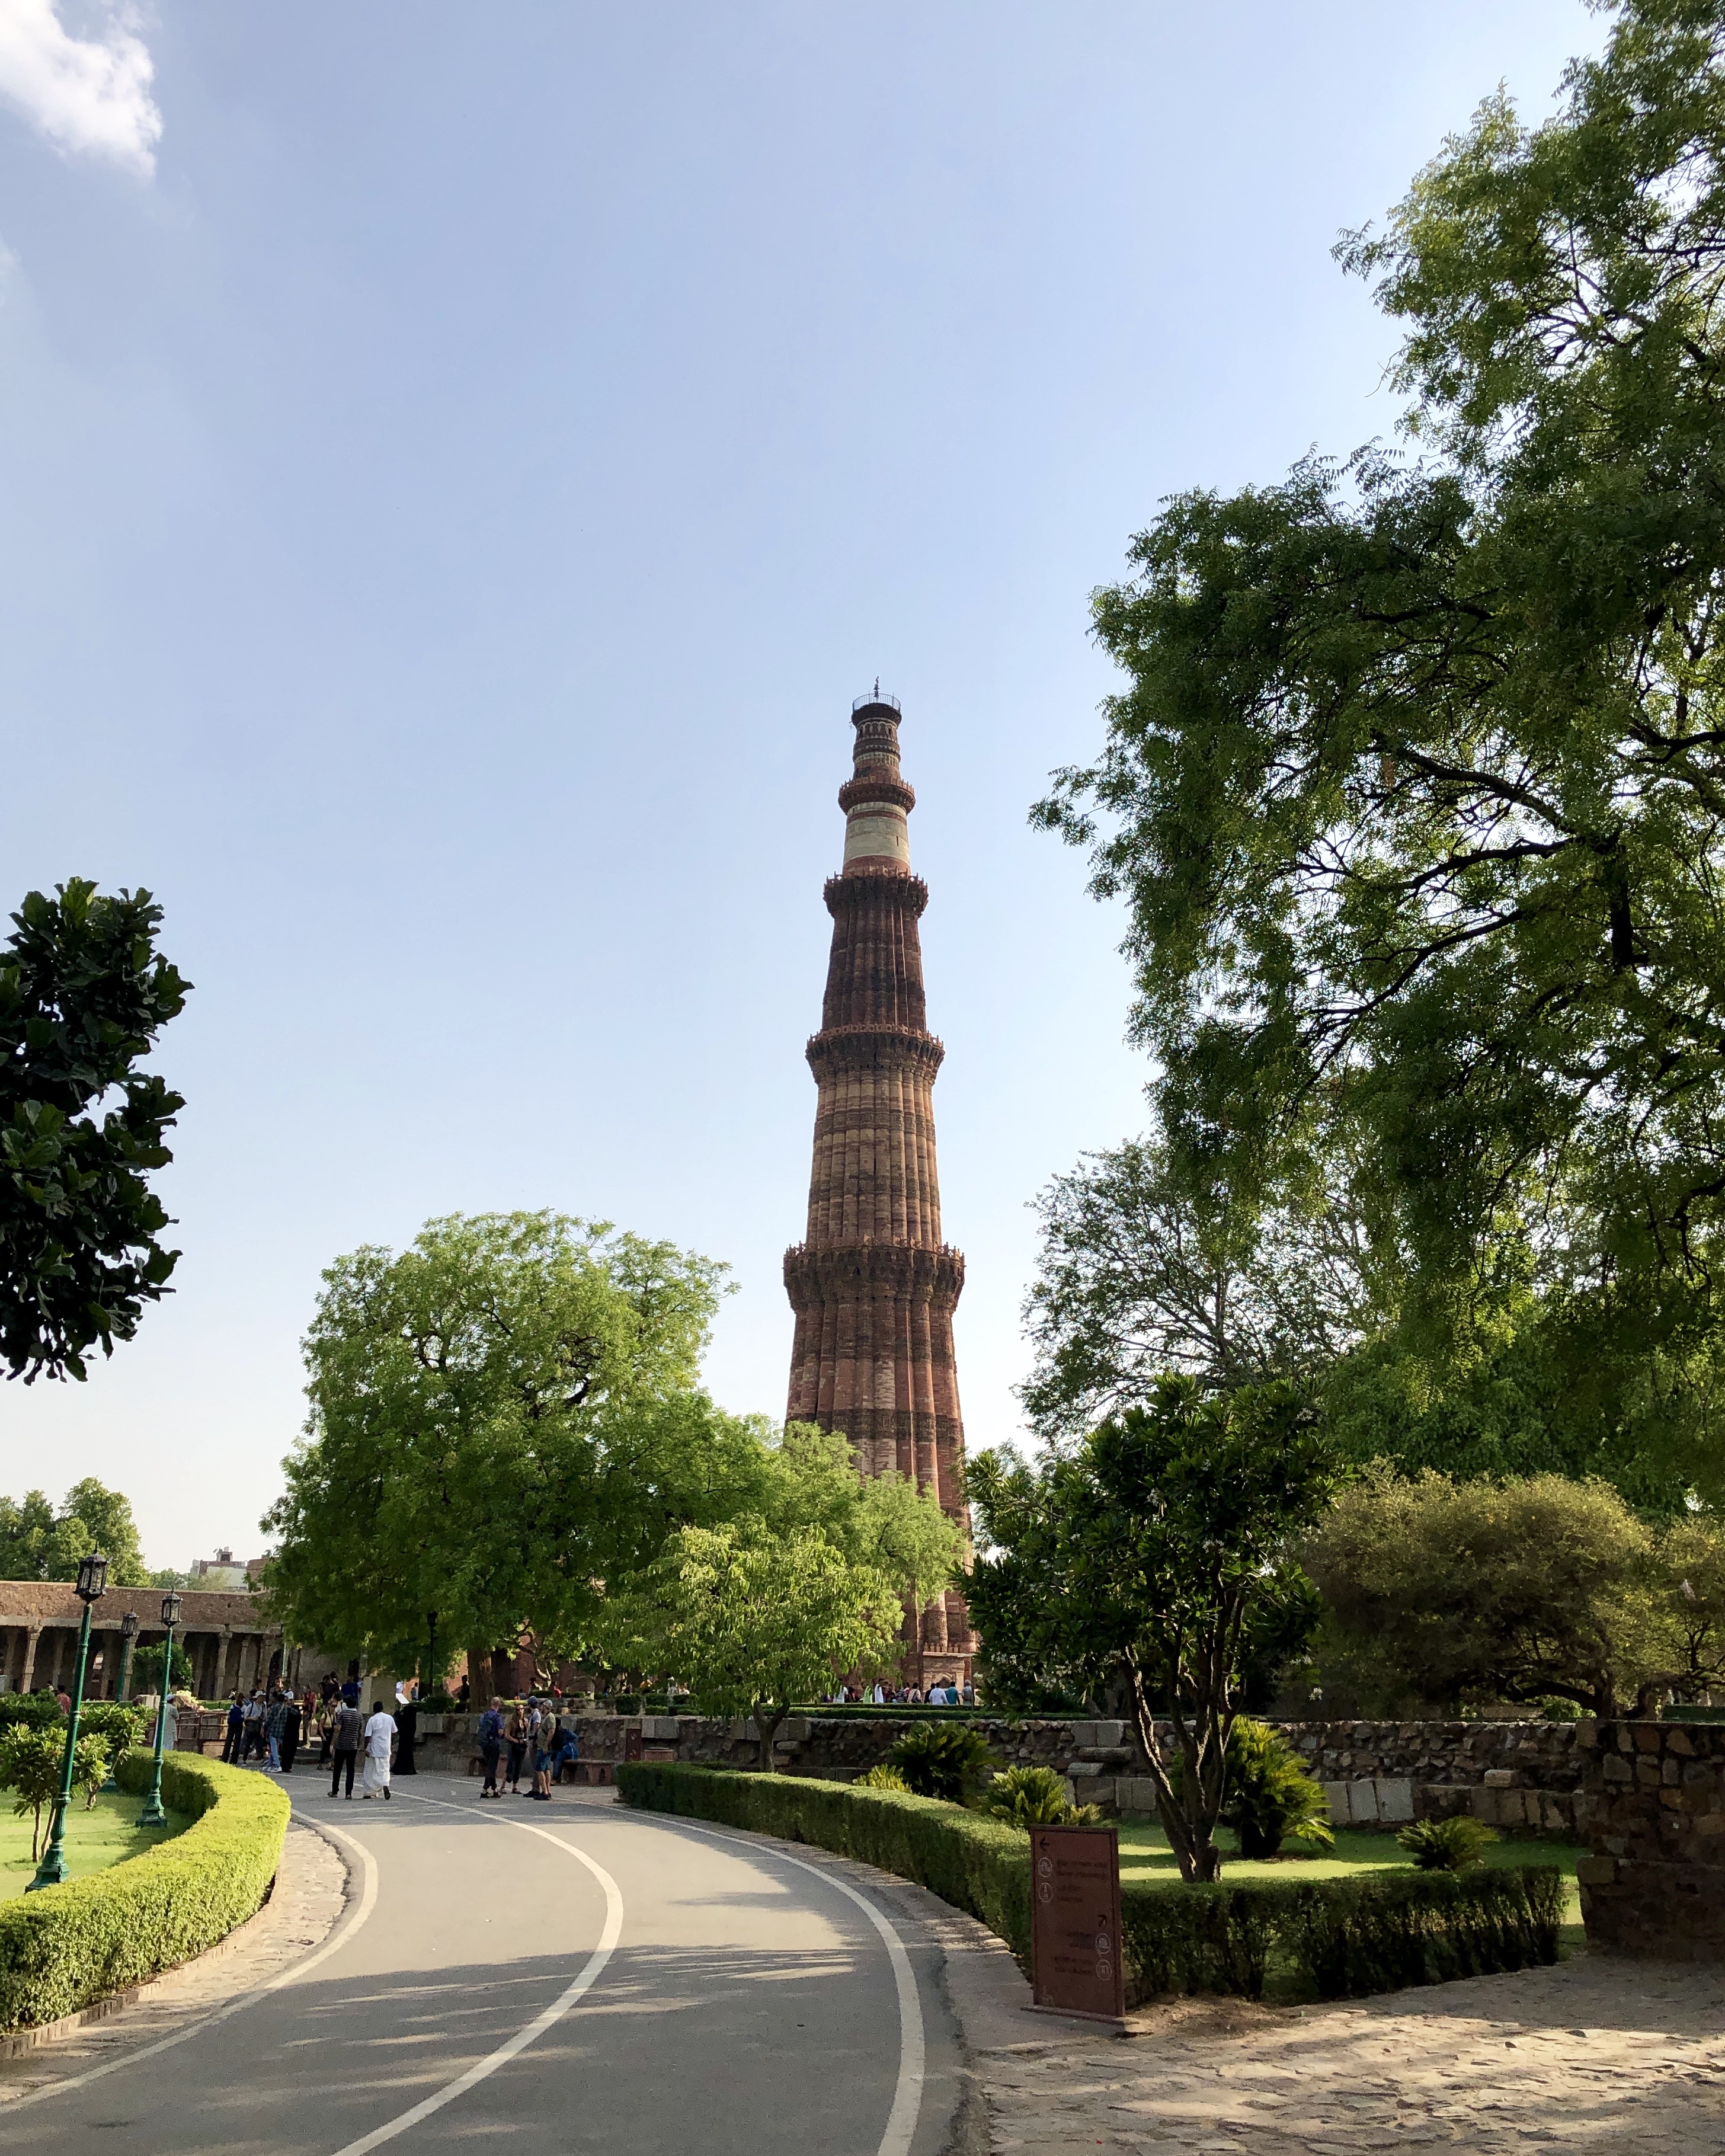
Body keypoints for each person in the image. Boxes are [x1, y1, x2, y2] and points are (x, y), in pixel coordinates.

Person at [361, 1699, 396, 1800]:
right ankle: (385, 1784)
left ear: (374, 1710)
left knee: (371, 1770)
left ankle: (369, 1792)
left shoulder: (372, 1720)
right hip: (386, 1748)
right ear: (382, 1709)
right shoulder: (389, 1718)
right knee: (384, 1769)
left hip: (374, 1749)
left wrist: (365, 1748)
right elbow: (394, 1732)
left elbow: (368, 1736)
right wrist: (391, 1744)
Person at [330, 1698, 363, 1798]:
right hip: (352, 1746)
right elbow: (360, 1733)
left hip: (341, 1745)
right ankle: (348, 1793)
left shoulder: (342, 1714)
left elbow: (338, 1730)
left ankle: (335, 1791)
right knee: (350, 1769)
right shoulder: (359, 1716)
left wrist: (332, 1744)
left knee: (338, 1769)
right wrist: (358, 1745)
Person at [477, 1696, 504, 1798]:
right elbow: (500, 1731)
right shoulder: (497, 1717)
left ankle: (494, 1790)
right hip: (494, 1743)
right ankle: (484, 1790)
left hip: (485, 1743)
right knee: (492, 1768)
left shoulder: (484, 1716)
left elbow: (480, 1728)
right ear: (499, 1706)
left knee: (490, 1766)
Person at [504, 1700, 529, 1794]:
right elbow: (507, 1735)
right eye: (519, 1709)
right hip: (514, 1744)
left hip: (522, 1745)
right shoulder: (512, 1722)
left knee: (519, 1766)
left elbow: (527, 1734)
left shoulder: (525, 1721)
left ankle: (515, 1786)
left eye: (522, 1709)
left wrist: (525, 1742)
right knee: (511, 1765)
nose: (521, 1711)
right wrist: (517, 1741)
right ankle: (503, 1786)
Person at [395, 1695, 418, 1776]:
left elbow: (399, 1721)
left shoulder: (405, 1720)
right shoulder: (412, 1720)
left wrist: (398, 1714)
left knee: (402, 1753)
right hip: (409, 1741)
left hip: (404, 1741)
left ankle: (401, 1769)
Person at [279, 1693, 303, 1774]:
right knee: (289, 1751)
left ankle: (286, 1765)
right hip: (291, 1734)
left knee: (288, 1751)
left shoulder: (291, 1711)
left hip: (290, 1734)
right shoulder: (294, 1713)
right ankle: (287, 1766)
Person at [222, 1693, 245, 1764]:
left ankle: (224, 1758)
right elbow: (244, 1716)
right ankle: (234, 1759)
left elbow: (229, 1714)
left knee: (228, 1741)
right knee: (237, 1742)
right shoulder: (243, 1707)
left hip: (232, 1725)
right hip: (239, 1725)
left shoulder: (233, 1706)